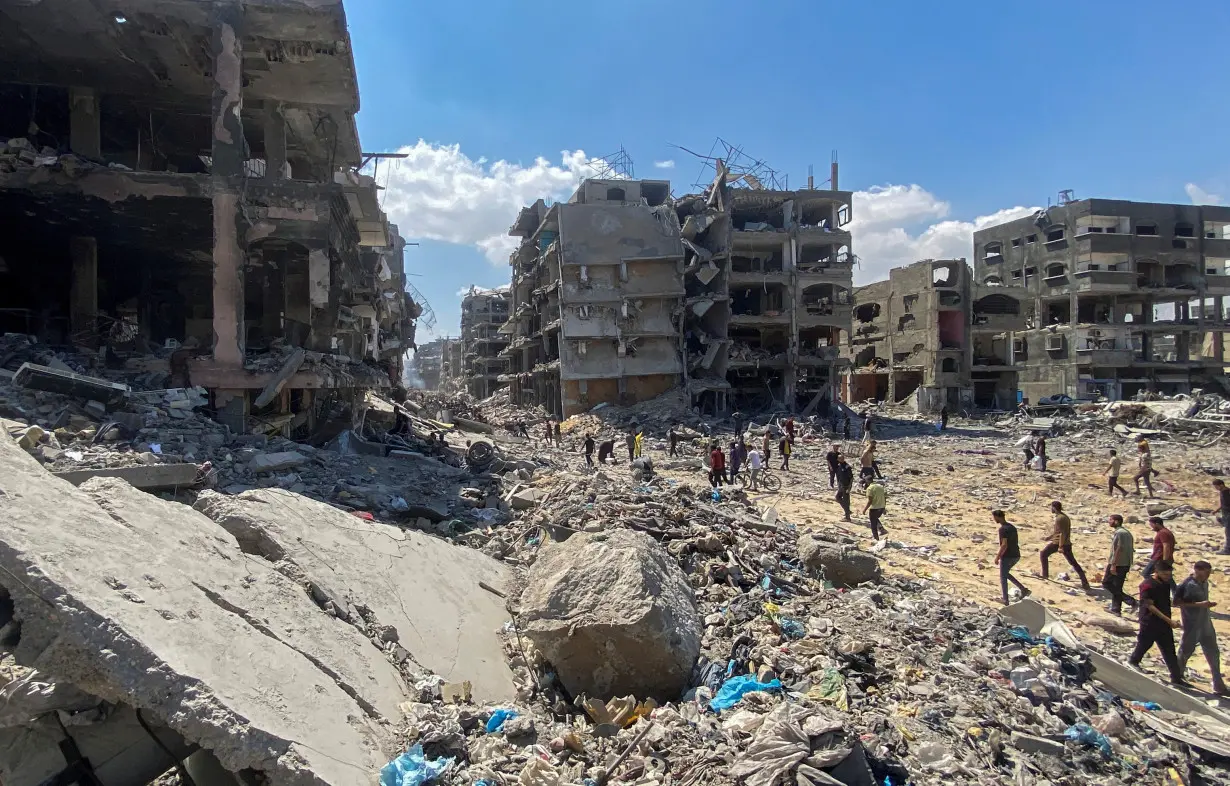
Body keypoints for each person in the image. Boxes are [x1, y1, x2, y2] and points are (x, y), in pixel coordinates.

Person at [1129, 560, 1187, 686]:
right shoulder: (1147, 585)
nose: (1168, 577)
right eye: (1165, 574)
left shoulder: (1165, 584)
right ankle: (1133, 662)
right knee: (1144, 645)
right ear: (1156, 572)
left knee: (1169, 651)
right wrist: (1169, 620)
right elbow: (1150, 606)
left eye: (1169, 575)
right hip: (1150, 622)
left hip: (1164, 623)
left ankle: (1176, 678)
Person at [1175, 561, 1226, 694]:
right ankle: (1176, 677)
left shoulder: (1205, 583)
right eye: (1206, 572)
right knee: (1185, 651)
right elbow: (1176, 602)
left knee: (1213, 652)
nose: (1208, 575)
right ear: (1197, 570)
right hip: (1192, 624)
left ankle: (1218, 684)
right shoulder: (1187, 585)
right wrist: (1200, 604)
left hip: (1206, 624)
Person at [1040, 501, 1091, 589]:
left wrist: (1060, 546)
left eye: (1051, 507)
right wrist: (1048, 538)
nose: (1051, 509)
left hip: (1059, 543)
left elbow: (1062, 533)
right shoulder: (1063, 517)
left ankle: (1045, 576)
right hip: (1064, 543)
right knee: (1073, 563)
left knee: (1043, 554)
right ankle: (1085, 583)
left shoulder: (1060, 518)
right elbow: (1058, 532)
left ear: (1054, 508)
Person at [993, 510, 1029, 605]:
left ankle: (1005, 600)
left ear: (998, 517)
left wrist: (998, 557)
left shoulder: (1003, 529)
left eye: (995, 517)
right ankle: (1023, 589)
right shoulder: (1012, 527)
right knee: (1005, 574)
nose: (994, 519)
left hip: (1007, 556)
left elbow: (1004, 544)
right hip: (1016, 555)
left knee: (1003, 577)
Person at [1104, 514, 1138, 616]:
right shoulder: (1127, 533)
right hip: (1125, 563)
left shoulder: (1119, 533)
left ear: (1116, 521)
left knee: (1106, 583)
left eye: (1111, 520)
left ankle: (1131, 601)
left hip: (1118, 563)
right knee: (1117, 587)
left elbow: (1119, 549)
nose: (1109, 522)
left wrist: (1113, 564)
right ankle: (1116, 609)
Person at [1142, 516, 1175, 582]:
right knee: (1166, 576)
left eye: (1152, 525)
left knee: (1146, 573)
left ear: (1157, 524)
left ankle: (1154, 586)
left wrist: (1164, 560)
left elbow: (1166, 546)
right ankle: (1175, 590)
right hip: (1163, 558)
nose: (1152, 527)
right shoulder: (1166, 531)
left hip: (1159, 558)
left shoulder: (1162, 533)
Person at [1213, 479, 1230, 555]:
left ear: (1221, 485)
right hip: (1225, 514)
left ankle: (1227, 550)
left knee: (1228, 532)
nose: (1216, 488)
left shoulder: (1228, 492)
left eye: (1216, 486)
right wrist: (1216, 510)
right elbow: (1222, 503)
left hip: (1229, 514)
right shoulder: (1222, 492)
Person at [834, 455, 854, 522]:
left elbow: (851, 478)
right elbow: (839, 476)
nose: (841, 459)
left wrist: (849, 488)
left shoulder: (847, 467)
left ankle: (847, 517)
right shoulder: (839, 466)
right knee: (838, 497)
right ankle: (847, 510)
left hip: (846, 486)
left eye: (842, 458)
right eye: (840, 458)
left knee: (846, 501)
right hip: (841, 486)